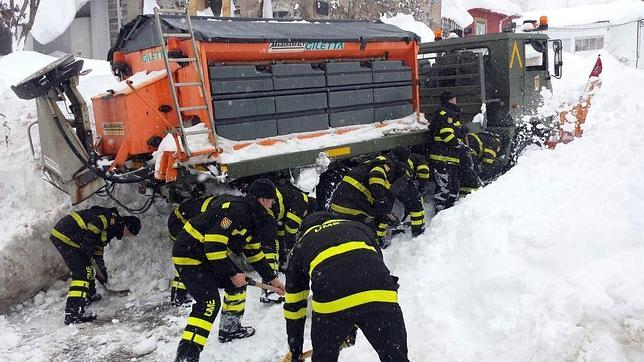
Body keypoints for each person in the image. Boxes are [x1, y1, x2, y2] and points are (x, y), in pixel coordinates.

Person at [172, 178, 285, 362]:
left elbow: (254, 253)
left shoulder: (254, 218)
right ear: (264, 199)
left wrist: (272, 279)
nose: (272, 205)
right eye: (271, 201)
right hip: (190, 252)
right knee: (208, 303)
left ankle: (230, 330)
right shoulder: (236, 210)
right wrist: (232, 273)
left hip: (207, 256)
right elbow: (213, 246)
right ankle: (187, 356)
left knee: (238, 285)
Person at [283, 212, 408, 362]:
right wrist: (350, 325)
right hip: (380, 292)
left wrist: (295, 351)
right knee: (396, 358)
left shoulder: (301, 245)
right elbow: (372, 269)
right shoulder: (359, 227)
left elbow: (294, 306)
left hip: (331, 300)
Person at [49, 206, 141, 325]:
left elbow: (98, 249)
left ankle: (89, 294)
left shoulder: (112, 230)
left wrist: (101, 269)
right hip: (67, 233)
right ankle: (73, 314)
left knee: (87, 268)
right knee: (83, 273)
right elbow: (94, 225)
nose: (127, 236)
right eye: (129, 233)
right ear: (127, 227)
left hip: (71, 235)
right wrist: (88, 243)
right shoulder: (112, 219)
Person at [328, 153, 406, 247]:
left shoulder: (374, 162)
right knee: (365, 235)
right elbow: (375, 179)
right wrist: (381, 201)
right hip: (351, 206)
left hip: (340, 203)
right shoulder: (387, 165)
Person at [260, 183, 317, 304]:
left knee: (274, 240)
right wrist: (293, 251)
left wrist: (282, 257)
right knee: (271, 245)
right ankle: (270, 289)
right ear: (308, 210)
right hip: (270, 207)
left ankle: (272, 279)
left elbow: (281, 233)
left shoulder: (292, 199)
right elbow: (291, 228)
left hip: (269, 206)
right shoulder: (302, 202)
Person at [167, 189, 218, 305]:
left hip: (181, 221)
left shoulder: (214, 207)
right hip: (177, 224)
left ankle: (184, 291)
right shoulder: (210, 212)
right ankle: (178, 295)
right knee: (190, 257)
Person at [428, 90, 465, 211]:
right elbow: (446, 134)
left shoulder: (445, 112)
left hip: (445, 156)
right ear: (450, 100)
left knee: (451, 186)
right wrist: (459, 144)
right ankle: (440, 214)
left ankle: (449, 211)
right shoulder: (448, 114)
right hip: (444, 157)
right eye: (454, 98)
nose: (456, 100)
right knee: (445, 188)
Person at [390, 146, 429, 237]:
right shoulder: (422, 159)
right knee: (416, 203)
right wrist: (422, 185)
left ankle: (396, 229)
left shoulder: (396, 158)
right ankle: (417, 230)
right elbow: (424, 172)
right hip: (402, 182)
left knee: (403, 204)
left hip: (392, 183)